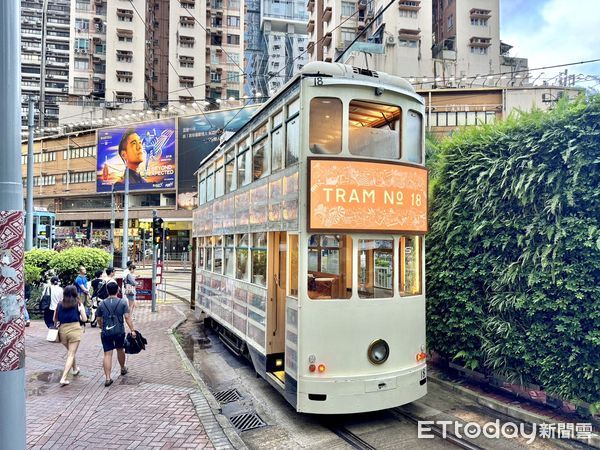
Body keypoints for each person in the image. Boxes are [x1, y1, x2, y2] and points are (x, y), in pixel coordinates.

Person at [96, 281, 136, 387]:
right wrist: (132, 330)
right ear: (118, 290)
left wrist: (101, 326)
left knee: (107, 354)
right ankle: (122, 368)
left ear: (107, 291)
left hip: (106, 331)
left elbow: (98, 318)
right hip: (119, 331)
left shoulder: (102, 303)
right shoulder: (123, 302)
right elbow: (127, 317)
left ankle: (108, 378)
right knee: (120, 349)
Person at [53, 285, 87, 386]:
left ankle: (75, 369)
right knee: (71, 354)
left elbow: (54, 319)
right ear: (75, 293)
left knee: (71, 352)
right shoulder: (78, 303)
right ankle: (63, 378)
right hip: (74, 329)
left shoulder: (59, 304)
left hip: (62, 331)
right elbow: (85, 319)